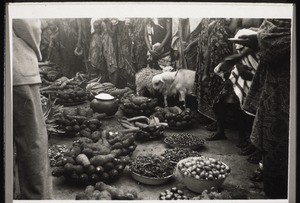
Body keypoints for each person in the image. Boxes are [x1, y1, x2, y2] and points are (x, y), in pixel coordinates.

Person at [239, 19, 291, 199]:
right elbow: (268, 36)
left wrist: (259, 40)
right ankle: (267, 168)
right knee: (272, 143)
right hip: (275, 89)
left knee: (281, 150)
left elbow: (273, 44)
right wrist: (258, 36)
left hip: (285, 91)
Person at [13, 19, 53, 199]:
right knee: (32, 142)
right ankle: (37, 198)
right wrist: (36, 51)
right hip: (17, 68)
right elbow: (28, 25)